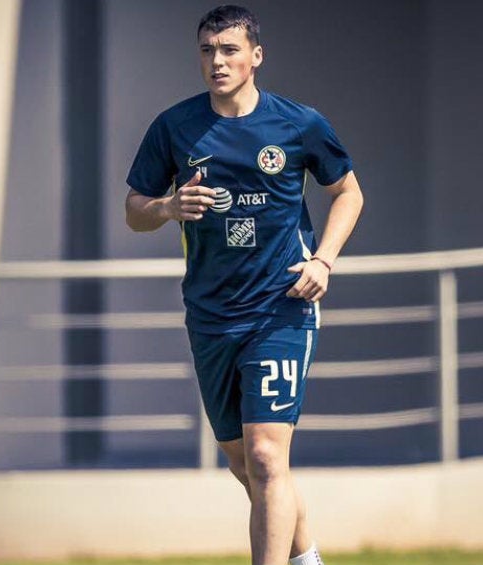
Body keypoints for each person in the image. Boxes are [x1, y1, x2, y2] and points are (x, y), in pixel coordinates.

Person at [124, 5, 363, 565]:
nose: (217, 61)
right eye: (207, 50)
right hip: (210, 315)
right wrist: (166, 205)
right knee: (244, 462)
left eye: (229, 49)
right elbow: (134, 210)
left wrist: (323, 262)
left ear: (256, 57)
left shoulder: (298, 123)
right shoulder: (174, 126)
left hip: (281, 308)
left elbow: (348, 192)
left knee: (265, 455)